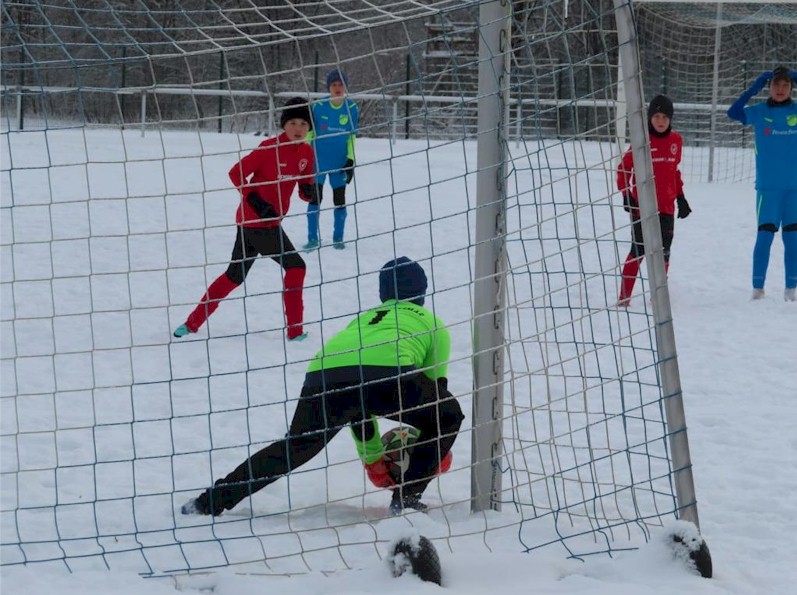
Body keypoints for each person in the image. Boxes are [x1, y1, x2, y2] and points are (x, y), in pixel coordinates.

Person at [180, 256, 464, 517]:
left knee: (294, 448)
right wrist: (425, 457)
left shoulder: (364, 320)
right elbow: (434, 393)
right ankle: (406, 500)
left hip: (324, 374)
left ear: (383, 294)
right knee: (447, 414)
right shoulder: (432, 323)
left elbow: (357, 405)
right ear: (423, 293)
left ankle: (208, 502)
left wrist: (373, 457)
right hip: (388, 373)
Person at [173, 97, 316, 341]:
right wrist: (255, 201)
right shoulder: (268, 148)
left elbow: (305, 187)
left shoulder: (306, 152)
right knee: (296, 267)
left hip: (262, 224)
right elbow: (236, 172)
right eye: (292, 122)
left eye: (303, 123)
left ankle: (191, 323)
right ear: (283, 125)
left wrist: (311, 192)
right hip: (257, 223)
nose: (298, 128)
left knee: (234, 276)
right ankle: (295, 332)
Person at [727, 66, 797, 302]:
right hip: (768, 189)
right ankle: (758, 289)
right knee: (765, 237)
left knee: (793, 240)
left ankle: (791, 289)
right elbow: (733, 112)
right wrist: (754, 87)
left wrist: (795, 74)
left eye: (786, 84)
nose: (780, 89)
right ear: (769, 87)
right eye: (776, 84)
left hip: (794, 190)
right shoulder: (759, 112)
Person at [616, 94, 691, 306]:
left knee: (663, 254)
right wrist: (626, 194)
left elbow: (673, 172)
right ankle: (624, 298)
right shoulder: (642, 142)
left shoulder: (676, 141)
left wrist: (681, 197)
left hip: (667, 209)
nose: (660, 121)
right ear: (649, 118)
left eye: (665, 117)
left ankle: (658, 297)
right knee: (637, 251)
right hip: (642, 209)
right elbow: (623, 169)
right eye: (656, 116)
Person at [302, 69, 360, 250]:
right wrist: (304, 153)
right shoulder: (318, 107)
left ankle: (338, 239)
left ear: (345, 87)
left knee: (340, 200)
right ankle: (312, 239)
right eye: (334, 84)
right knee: (314, 200)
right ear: (329, 87)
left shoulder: (352, 108)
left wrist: (350, 159)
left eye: (340, 84)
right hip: (318, 162)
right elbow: (310, 133)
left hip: (339, 163)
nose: (337, 88)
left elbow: (352, 136)